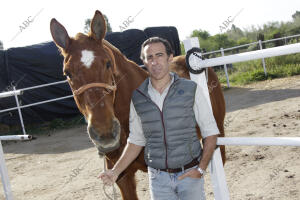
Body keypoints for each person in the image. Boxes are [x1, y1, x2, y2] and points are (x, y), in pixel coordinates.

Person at [99, 37, 219, 200]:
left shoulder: (191, 89)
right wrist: (115, 171)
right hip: (158, 180)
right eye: (149, 57)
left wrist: (201, 169)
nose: (155, 62)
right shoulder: (138, 97)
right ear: (144, 61)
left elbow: (210, 132)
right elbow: (136, 141)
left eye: (159, 55)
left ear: (170, 58)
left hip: (189, 175)